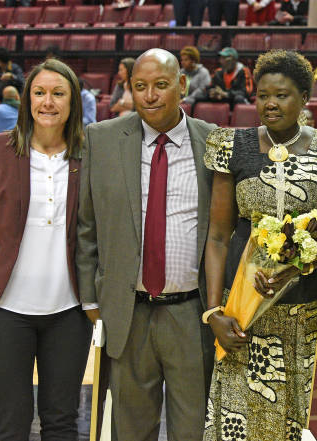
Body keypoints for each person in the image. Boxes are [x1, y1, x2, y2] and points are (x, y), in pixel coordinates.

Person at [202, 49, 317, 441]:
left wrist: (300, 264)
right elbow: (218, 237)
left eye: (282, 95)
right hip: (245, 314)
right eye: (262, 95)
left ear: (305, 97)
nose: (270, 104)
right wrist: (214, 312)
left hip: (313, 315)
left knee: (309, 425)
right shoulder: (232, 145)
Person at [0, 58, 91, 441]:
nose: (48, 102)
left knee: (61, 420)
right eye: (40, 93)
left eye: (58, 94)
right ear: (27, 100)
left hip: (70, 312)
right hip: (6, 310)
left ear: (73, 101)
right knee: (11, 419)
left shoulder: (89, 155)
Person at [76, 48, 217, 440]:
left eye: (160, 85)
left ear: (182, 85)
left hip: (192, 312)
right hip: (127, 313)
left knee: (193, 430)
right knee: (130, 430)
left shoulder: (215, 142)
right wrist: (91, 299)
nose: (150, 96)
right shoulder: (101, 139)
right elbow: (87, 225)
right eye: (140, 87)